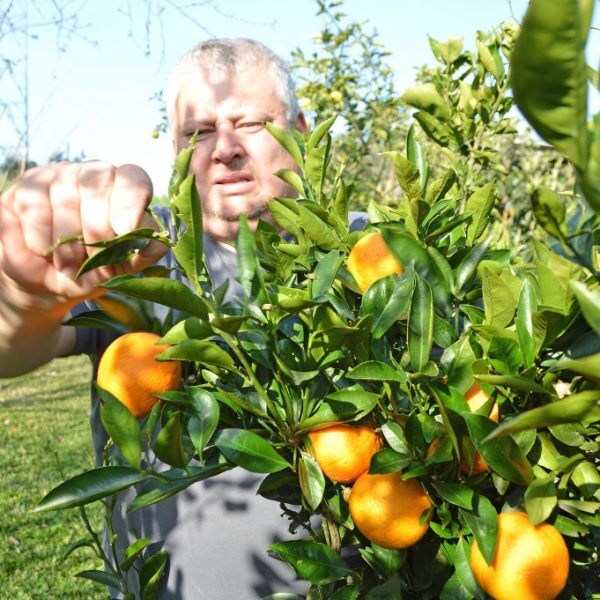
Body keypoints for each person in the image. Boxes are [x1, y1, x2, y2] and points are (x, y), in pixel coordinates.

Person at [0, 38, 314, 599]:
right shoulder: (135, 250)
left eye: (251, 123)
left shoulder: (371, 257)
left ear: (301, 127)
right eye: (198, 132)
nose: (225, 150)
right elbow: (14, 347)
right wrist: (23, 296)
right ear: (174, 148)